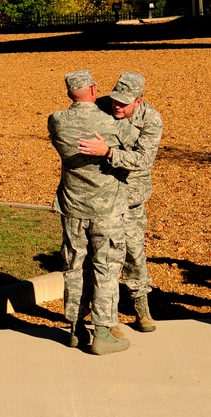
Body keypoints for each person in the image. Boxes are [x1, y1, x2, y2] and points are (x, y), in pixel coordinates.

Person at [49, 69, 139, 355]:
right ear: (92, 90)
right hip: (107, 210)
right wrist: (109, 151)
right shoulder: (111, 125)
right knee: (106, 268)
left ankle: (75, 328)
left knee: (74, 267)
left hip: (72, 208)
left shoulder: (57, 121)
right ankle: (102, 331)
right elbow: (137, 158)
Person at [78, 71, 163, 334]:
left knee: (134, 253)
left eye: (124, 103)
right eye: (115, 99)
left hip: (130, 199)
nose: (116, 106)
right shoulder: (101, 107)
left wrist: (109, 153)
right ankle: (93, 312)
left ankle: (141, 308)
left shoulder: (150, 119)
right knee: (98, 255)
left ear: (139, 101)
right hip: (102, 197)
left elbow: (143, 159)